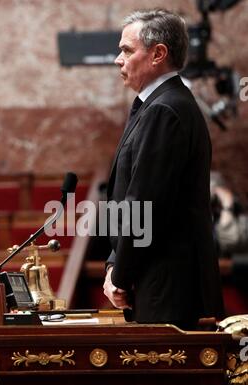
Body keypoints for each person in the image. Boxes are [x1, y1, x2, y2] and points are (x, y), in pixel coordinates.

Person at [103, 9, 224, 329]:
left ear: (158, 54)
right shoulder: (158, 104)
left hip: (169, 295)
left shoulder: (166, 110)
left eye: (127, 50)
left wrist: (119, 274)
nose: (118, 59)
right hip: (160, 288)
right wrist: (116, 263)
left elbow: (145, 204)